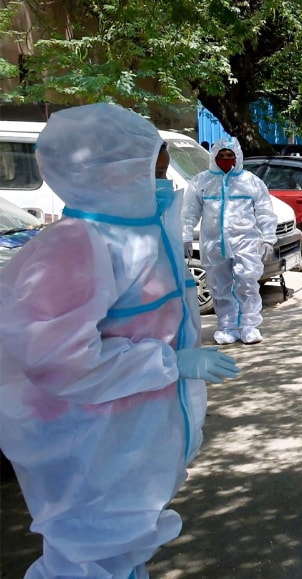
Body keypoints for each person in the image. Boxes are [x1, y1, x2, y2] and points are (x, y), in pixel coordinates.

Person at [0, 103, 240, 579]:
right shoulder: (79, 244)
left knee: (118, 552)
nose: (163, 172)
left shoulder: (139, 229)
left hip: (126, 431)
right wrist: (171, 364)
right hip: (89, 440)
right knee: (84, 554)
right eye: (153, 161)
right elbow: (60, 362)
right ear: (113, 169)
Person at [182, 138, 277, 345]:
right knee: (218, 285)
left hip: (245, 242)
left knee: (247, 282)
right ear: (214, 157)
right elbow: (189, 211)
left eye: (230, 156)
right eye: (221, 156)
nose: (226, 160)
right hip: (214, 243)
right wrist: (186, 235)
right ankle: (226, 325)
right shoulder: (202, 181)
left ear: (237, 156)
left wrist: (269, 238)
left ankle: (249, 325)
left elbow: (264, 212)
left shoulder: (250, 181)